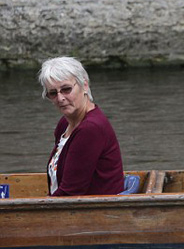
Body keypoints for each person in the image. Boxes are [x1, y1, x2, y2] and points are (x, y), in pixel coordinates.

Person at [38, 56, 124, 196]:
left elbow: (70, 192)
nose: (60, 98)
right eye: (53, 93)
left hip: (95, 213)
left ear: (84, 85)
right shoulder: (64, 123)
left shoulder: (90, 129)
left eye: (66, 89)